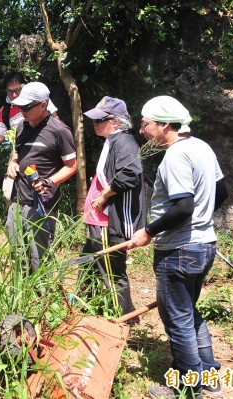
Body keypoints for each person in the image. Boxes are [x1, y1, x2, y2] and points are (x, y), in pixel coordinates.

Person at [127, 96, 228, 399]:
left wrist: (148, 231)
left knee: (178, 320)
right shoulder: (202, 148)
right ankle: (209, 378)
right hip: (203, 245)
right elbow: (221, 191)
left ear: (165, 126)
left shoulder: (175, 156)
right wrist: (201, 223)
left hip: (179, 250)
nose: (141, 129)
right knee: (187, 312)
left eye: (146, 124)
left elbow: (183, 207)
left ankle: (188, 387)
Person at [79, 96, 146, 319]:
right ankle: (84, 309)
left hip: (108, 220)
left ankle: (125, 318)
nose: (95, 124)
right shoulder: (112, 141)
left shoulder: (124, 142)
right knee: (88, 264)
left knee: (111, 270)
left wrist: (104, 195)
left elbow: (130, 174)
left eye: (101, 120)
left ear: (116, 122)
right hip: (97, 218)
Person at [5, 82, 77, 274]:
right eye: (20, 107)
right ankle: (22, 294)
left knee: (40, 254)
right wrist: (12, 163)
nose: (22, 111)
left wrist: (50, 182)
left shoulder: (60, 130)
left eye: (27, 107)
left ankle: (43, 297)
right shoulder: (21, 126)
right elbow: (17, 154)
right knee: (17, 250)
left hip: (41, 203)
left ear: (43, 105)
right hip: (18, 199)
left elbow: (72, 166)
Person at [0, 72, 59, 205]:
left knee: (41, 192)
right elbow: (0, 137)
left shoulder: (39, 101)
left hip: (42, 150)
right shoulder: (4, 112)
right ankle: (16, 220)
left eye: (17, 90)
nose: (14, 95)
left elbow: (56, 121)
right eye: (10, 92)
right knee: (9, 192)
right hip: (18, 153)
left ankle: (41, 221)